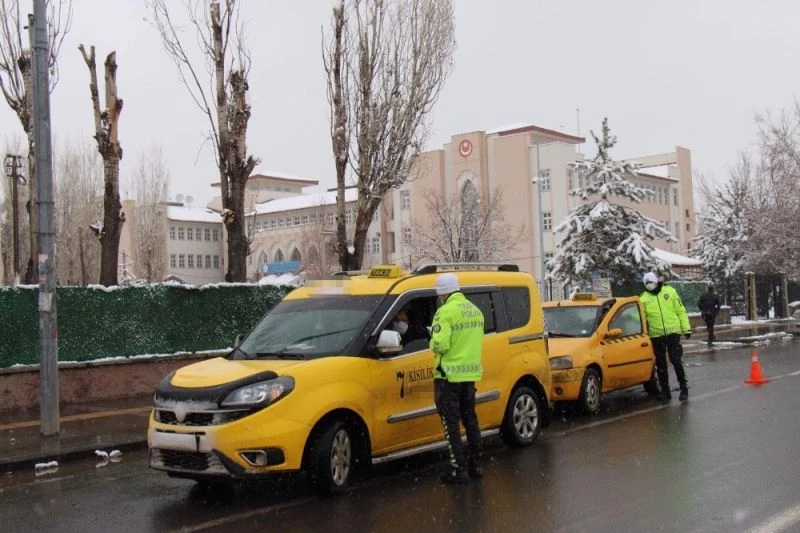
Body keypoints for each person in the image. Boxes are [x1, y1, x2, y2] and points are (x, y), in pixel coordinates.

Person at [429, 272, 484, 484]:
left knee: (450, 423)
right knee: (470, 419)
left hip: (448, 377)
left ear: (443, 293)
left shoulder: (444, 312)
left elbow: (440, 344)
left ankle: (457, 468)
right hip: (469, 376)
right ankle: (476, 464)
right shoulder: (475, 311)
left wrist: (431, 339)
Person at [640, 272, 692, 402]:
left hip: (673, 332)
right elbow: (640, 318)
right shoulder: (643, 299)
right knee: (660, 364)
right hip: (656, 335)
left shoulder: (670, 291)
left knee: (676, 360)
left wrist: (686, 328)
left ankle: (684, 388)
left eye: (651, 282)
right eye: (647, 284)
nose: (649, 285)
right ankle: (665, 391)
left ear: (656, 281)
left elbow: (680, 311)